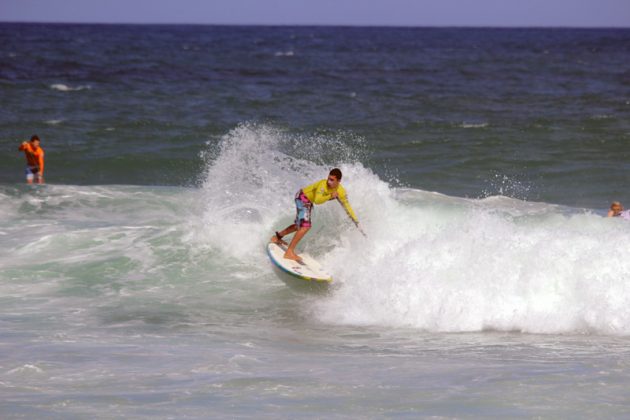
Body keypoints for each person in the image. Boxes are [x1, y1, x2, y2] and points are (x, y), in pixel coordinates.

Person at [270, 168, 359, 262]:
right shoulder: (323, 185)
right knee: (305, 226)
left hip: (307, 201)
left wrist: (355, 220)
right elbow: (317, 200)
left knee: (298, 226)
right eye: (328, 178)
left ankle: (277, 237)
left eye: (332, 180)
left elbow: (347, 205)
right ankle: (289, 252)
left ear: (338, 181)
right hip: (302, 197)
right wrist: (330, 196)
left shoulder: (341, 191)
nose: (329, 181)